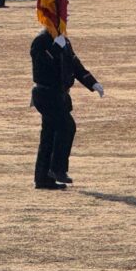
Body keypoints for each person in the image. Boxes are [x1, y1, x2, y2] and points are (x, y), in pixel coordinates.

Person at [30, 28, 105, 190]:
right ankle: (57, 169)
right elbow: (42, 65)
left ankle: (43, 178)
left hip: (59, 95)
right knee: (67, 127)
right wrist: (56, 48)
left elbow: (75, 65)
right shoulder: (41, 41)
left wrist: (92, 83)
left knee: (49, 135)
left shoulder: (64, 41)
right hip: (46, 94)